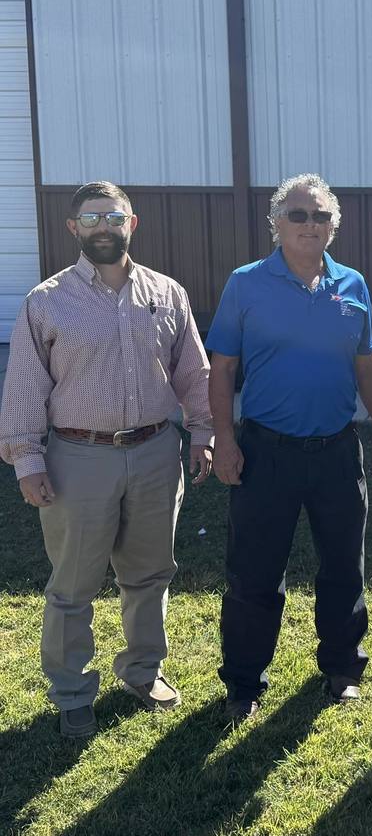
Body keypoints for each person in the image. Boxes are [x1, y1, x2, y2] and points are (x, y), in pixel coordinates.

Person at [0, 182, 212, 738]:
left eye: (113, 216)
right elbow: (24, 385)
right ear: (74, 228)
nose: (103, 226)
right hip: (78, 456)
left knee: (149, 573)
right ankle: (71, 689)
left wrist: (203, 431)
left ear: (131, 224)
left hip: (154, 453)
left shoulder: (167, 293)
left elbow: (193, 371)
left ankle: (143, 670)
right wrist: (28, 459)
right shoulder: (46, 302)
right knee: (73, 583)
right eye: (91, 217)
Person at [208, 174, 372, 724]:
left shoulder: (353, 285)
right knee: (255, 571)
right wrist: (223, 437)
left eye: (320, 216)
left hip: (337, 451)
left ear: (334, 225)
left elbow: (367, 361)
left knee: (343, 565)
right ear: (276, 224)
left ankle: (341, 668)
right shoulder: (245, 284)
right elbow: (222, 367)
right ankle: (244, 681)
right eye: (297, 215)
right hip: (266, 451)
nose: (309, 225)